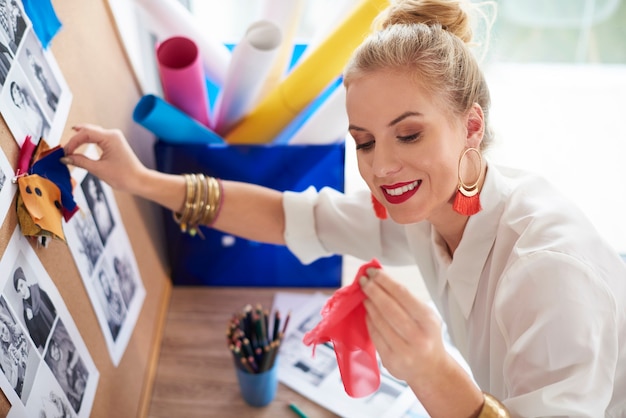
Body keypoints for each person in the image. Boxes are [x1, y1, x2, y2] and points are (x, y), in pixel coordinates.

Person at [61, 0, 626, 416]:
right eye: (364, 141)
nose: (381, 169)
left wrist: (432, 372)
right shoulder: (429, 207)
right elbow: (287, 217)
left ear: (471, 125)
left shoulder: (548, 270)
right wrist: (141, 179)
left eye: (409, 135)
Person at [13, 266, 57, 350]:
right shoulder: (26, 313)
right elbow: (37, 342)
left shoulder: (38, 291)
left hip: (59, 332)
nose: (22, 292)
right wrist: (31, 320)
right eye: (19, 290)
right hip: (50, 350)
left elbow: (54, 308)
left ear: (25, 281)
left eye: (21, 285)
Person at [0, 312, 28, 396]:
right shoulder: (4, 354)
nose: (4, 336)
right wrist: (14, 364)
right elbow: (12, 385)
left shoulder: (19, 330)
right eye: (1, 336)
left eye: (3, 330)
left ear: (5, 323)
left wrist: (21, 357)